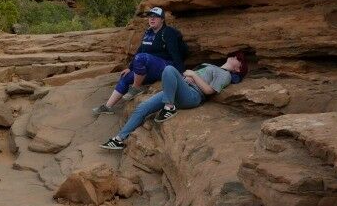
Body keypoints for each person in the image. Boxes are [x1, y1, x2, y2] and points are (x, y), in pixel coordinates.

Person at [99, 51, 248, 150]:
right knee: (143, 107)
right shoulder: (212, 66)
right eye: (235, 55)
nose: (235, 57)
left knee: (169, 69)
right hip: (180, 89)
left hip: (193, 95)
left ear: (238, 69)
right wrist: (187, 77)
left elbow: (210, 91)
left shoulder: (225, 74)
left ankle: (169, 107)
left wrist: (193, 75)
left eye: (239, 59)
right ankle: (118, 139)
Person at [92, 6, 186, 115]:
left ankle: (136, 88)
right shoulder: (148, 33)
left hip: (166, 67)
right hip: (150, 67)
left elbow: (175, 54)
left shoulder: (168, 32)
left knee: (141, 58)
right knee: (126, 76)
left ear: (162, 19)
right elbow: (140, 50)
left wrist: (180, 73)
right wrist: (130, 68)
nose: (152, 19)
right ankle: (108, 107)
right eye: (150, 16)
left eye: (156, 17)